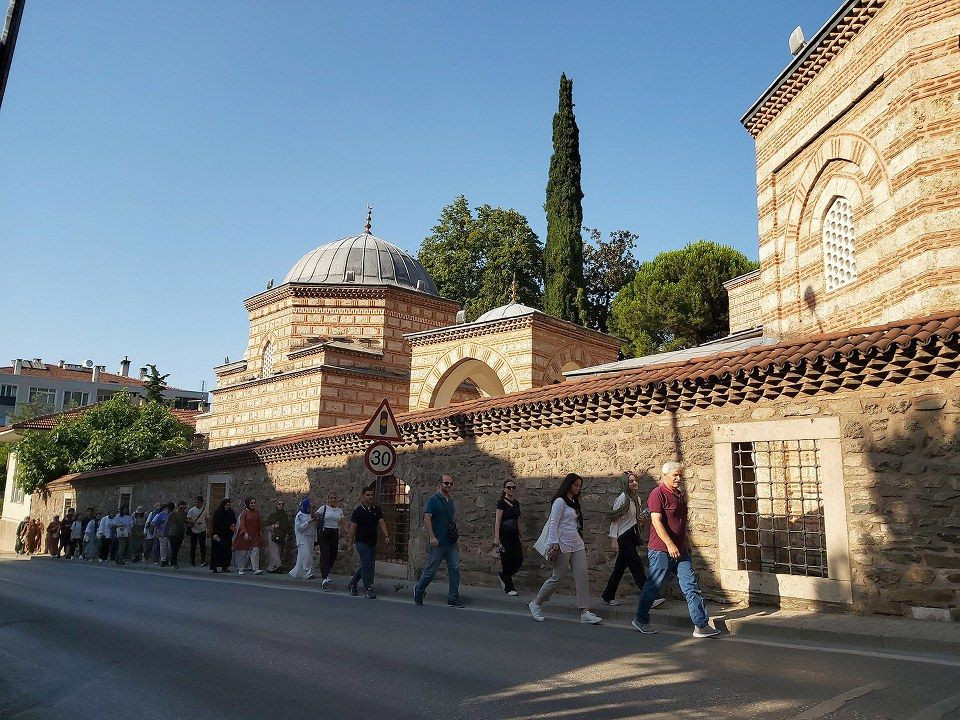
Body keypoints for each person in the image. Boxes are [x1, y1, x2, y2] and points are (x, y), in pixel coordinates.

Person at [632, 462, 719, 638]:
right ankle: (640, 619)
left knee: (691, 586)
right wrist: (670, 545)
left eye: (680, 475)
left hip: (680, 551)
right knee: (653, 587)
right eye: (675, 476)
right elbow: (656, 522)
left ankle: (701, 625)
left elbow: (680, 522)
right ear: (665, 476)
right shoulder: (657, 494)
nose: (679, 478)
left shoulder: (679, 495)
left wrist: (685, 541)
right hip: (661, 550)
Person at [528, 473, 602, 625]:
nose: (577, 488)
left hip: (576, 543)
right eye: (575, 485)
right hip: (562, 544)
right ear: (568, 484)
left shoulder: (574, 501)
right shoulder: (560, 501)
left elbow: (575, 524)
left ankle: (584, 612)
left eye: (579, 486)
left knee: (582, 576)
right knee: (558, 577)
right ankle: (536, 603)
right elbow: (553, 523)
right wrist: (554, 544)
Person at [601, 471, 665, 609]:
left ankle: (607, 595)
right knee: (637, 566)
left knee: (619, 568)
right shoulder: (622, 498)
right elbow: (615, 519)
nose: (634, 483)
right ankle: (650, 598)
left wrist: (640, 519)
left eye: (635, 480)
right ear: (625, 483)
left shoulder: (636, 498)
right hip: (623, 537)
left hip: (631, 534)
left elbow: (632, 519)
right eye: (631, 481)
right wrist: (614, 539)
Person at [414, 475, 463, 608]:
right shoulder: (433, 500)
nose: (449, 486)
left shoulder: (450, 501)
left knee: (455, 569)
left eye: (451, 484)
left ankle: (453, 598)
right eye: (446, 483)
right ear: (439, 484)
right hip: (438, 542)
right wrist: (432, 537)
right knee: (431, 570)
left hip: (450, 543)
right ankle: (419, 590)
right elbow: (427, 518)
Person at [346, 485, 390, 598]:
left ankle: (352, 583)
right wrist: (350, 544)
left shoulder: (376, 509)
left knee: (368, 565)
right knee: (366, 564)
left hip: (372, 542)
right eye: (368, 495)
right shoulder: (358, 511)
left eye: (371, 495)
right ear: (363, 496)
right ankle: (368, 588)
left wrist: (386, 535)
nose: (370, 497)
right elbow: (352, 529)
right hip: (361, 542)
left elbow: (382, 522)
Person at [493, 480, 523, 595]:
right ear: (504, 489)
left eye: (513, 487)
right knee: (507, 559)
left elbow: (518, 520)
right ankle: (509, 587)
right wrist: (496, 537)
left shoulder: (516, 503)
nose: (511, 489)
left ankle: (503, 575)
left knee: (518, 560)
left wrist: (522, 536)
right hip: (504, 534)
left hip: (514, 534)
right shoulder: (501, 503)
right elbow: (498, 520)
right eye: (509, 487)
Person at [317, 492, 344, 588]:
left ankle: (327, 572)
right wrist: (311, 509)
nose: (333, 500)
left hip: (334, 532)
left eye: (335, 498)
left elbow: (342, 522)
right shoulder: (323, 508)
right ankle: (324, 578)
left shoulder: (339, 510)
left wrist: (348, 532)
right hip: (325, 532)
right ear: (328, 499)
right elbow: (314, 516)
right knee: (325, 554)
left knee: (333, 554)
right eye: (331, 498)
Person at [289, 498, 320, 580]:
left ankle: (300, 572)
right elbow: (299, 528)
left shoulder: (311, 514)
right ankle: (307, 573)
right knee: (306, 555)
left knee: (307, 555)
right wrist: (308, 522)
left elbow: (314, 527)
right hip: (303, 538)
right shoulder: (300, 515)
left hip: (310, 537)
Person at [234, 497, 263, 576]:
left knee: (255, 551)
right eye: (251, 503)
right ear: (248, 504)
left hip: (254, 534)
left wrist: (260, 531)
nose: (253, 504)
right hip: (245, 535)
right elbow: (242, 523)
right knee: (243, 552)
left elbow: (259, 522)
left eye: (254, 503)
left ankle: (255, 568)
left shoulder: (256, 512)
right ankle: (241, 568)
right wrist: (245, 532)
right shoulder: (244, 513)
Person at [210, 499, 236, 573]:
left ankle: (225, 566)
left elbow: (234, 520)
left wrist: (233, 524)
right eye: (226, 505)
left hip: (227, 534)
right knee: (216, 551)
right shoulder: (218, 512)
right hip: (218, 534)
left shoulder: (231, 512)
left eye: (229, 505)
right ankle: (214, 567)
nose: (227, 507)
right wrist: (214, 534)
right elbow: (214, 523)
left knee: (226, 551)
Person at [264, 499, 290, 573]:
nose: (281, 505)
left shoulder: (284, 515)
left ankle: (274, 567)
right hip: (272, 534)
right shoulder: (272, 515)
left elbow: (286, 526)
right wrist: (273, 526)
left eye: (282, 504)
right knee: (274, 551)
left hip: (281, 535)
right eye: (279, 504)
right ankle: (278, 565)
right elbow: (266, 526)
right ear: (276, 505)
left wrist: (287, 534)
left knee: (278, 551)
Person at [186, 495, 207, 567]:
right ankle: (192, 561)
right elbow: (188, 519)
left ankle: (203, 561)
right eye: (195, 502)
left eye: (198, 502)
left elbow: (207, 519)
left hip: (202, 530)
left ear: (201, 503)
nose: (196, 503)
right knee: (193, 546)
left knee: (202, 546)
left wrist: (209, 528)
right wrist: (195, 522)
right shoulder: (191, 510)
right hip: (193, 530)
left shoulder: (205, 510)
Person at [166, 501, 188, 569]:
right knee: (174, 549)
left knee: (177, 549)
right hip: (173, 534)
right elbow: (166, 523)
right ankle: (173, 563)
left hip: (180, 533)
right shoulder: (172, 514)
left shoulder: (184, 514)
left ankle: (172, 561)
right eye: (181, 508)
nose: (182, 510)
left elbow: (185, 522)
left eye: (184, 508)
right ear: (178, 506)